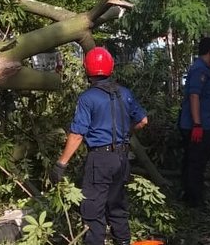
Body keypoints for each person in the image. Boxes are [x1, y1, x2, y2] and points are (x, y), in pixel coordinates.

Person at [50, 47, 147, 245]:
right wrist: (126, 133)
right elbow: (143, 120)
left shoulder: (88, 98)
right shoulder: (124, 93)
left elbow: (77, 135)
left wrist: (61, 164)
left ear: (87, 70)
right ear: (111, 67)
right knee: (117, 206)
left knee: (93, 210)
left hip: (100, 160)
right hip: (122, 158)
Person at [179, 37, 210, 207]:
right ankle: (194, 200)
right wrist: (197, 124)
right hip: (198, 126)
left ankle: (191, 195)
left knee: (194, 161)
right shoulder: (199, 70)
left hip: (204, 123)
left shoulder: (203, 69)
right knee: (196, 162)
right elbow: (194, 96)